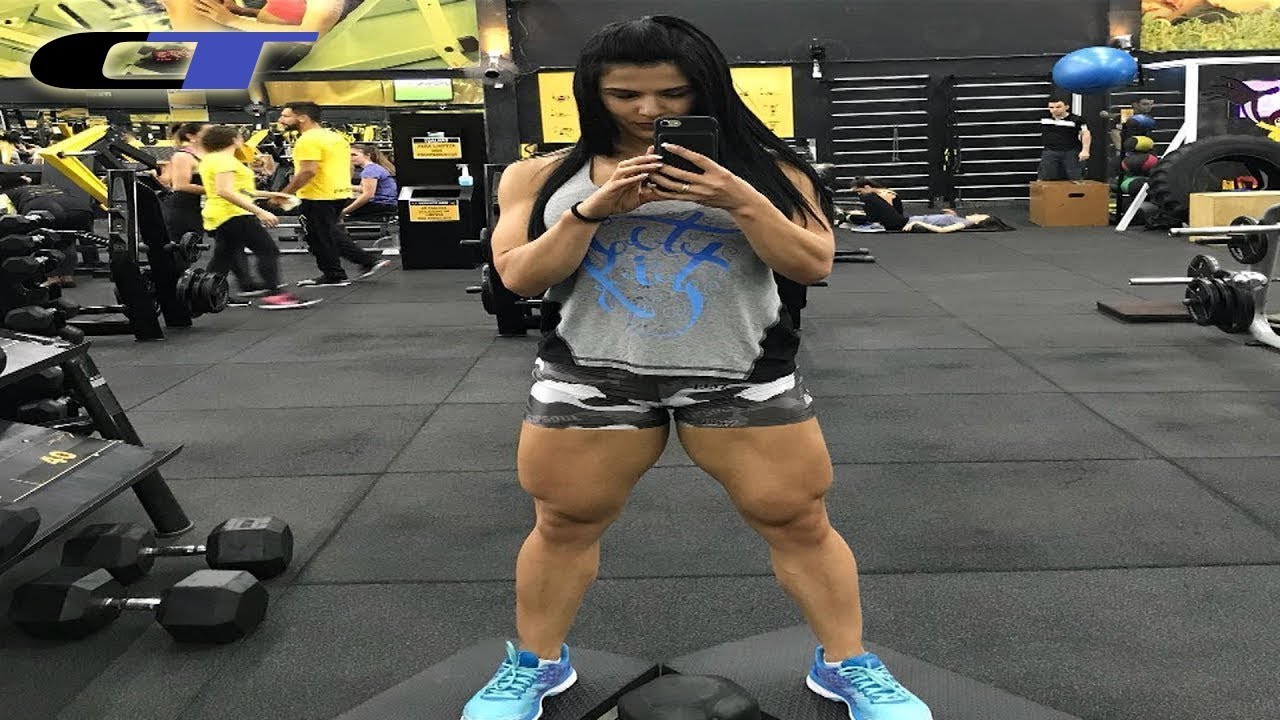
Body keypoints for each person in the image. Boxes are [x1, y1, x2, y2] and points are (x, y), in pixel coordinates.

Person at [460, 15, 932, 720]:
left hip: (741, 375)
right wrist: (592, 210)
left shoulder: (774, 171)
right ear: (593, 94)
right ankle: (536, 664)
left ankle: (846, 663)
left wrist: (738, 197)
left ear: (705, 89)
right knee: (562, 523)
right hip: (591, 378)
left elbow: (813, 263)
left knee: (798, 521)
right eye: (625, 95)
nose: (649, 111)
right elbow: (520, 278)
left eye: (672, 94)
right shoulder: (540, 175)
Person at [197, 125, 315, 309]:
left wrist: (276, 195)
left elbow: (242, 190)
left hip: (223, 214)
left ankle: (205, 295)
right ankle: (275, 296)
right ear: (235, 140)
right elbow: (224, 191)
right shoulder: (224, 160)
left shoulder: (213, 159)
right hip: (233, 214)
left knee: (223, 257)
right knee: (268, 250)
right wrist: (259, 211)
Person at [272, 102, 389, 286]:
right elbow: (350, 167)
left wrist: (284, 194)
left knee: (319, 237)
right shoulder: (336, 138)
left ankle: (336, 274)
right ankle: (363, 262)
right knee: (327, 233)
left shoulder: (307, 140)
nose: (281, 120)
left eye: (286, 116)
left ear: (302, 118)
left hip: (317, 195)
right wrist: (343, 186)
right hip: (338, 193)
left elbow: (308, 171)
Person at [0, 171, 96, 287]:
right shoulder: (48, 187)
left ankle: (52, 277)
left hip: (46, 208)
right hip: (81, 209)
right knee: (68, 240)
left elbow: (8, 219)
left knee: (43, 240)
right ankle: (67, 276)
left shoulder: (6, 194)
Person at [851, 177, 989, 233]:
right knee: (866, 202)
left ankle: (857, 218)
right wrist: (953, 215)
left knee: (868, 198)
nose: (976, 213)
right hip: (906, 220)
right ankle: (849, 217)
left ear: (979, 221)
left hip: (904, 222)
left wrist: (917, 223)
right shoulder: (961, 219)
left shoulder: (966, 223)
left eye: (980, 215)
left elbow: (941, 230)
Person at [1039, 96, 1091, 181]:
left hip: (1071, 152)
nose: (1054, 110)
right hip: (1050, 152)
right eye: (1051, 107)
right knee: (1045, 178)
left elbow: (1085, 133)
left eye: (1058, 107)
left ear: (1066, 107)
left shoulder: (1076, 119)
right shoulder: (1043, 118)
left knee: (1075, 178)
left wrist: (1085, 150)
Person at [342, 144, 398, 218]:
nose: (350, 158)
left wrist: (345, 211)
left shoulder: (369, 171)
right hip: (389, 204)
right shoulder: (375, 168)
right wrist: (346, 187)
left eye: (354, 155)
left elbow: (368, 195)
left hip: (380, 205)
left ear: (367, 156)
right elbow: (366, 188)